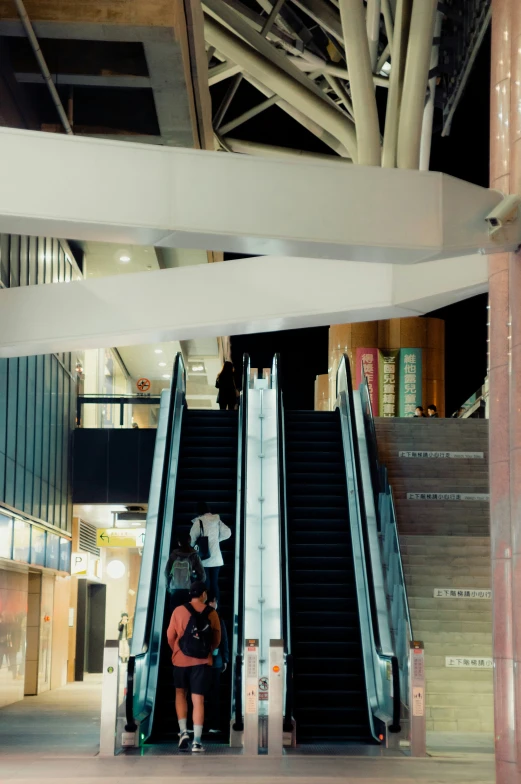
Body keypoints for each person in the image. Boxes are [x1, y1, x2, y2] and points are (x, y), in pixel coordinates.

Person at [167, 581, 221, 753]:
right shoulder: (211, 613)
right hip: (202, 662)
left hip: (180, 660)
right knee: (198, 700)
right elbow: (217, 639)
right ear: (204, 594)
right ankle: (197, 741)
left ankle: (183, 731)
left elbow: (170, 636)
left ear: (190, 594)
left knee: (180, 693)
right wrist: (207, 651)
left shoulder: (178, 611)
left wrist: (177, 650)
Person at [190, 502, 232, 605]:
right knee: (214, 583)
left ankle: (205, 605)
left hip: (204, 558)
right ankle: (215, 606)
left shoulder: (199, 521)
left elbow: (191, 539)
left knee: (206, 583)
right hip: (216, 558)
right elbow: (228, 532)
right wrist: (217, 540)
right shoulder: (217, 520)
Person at [205, 592, 229, 735]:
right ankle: (213, 724)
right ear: (212, 602)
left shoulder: (197, 616)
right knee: (214, 694)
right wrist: (225, 658)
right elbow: (224, 639)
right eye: (214, 601)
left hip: (200, 661)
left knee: (198, 693)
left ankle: (194, 724)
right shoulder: (217, 618)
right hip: (215, 661)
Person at [165, 531, 206, 611]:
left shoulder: (173, 555)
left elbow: (166, 572)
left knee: (175, 613)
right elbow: (202, 575)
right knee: (188, 613)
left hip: (175, 589)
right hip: (189, 590)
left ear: (179, 543)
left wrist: (168, 587)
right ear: (189, 541)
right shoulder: (194, 556)